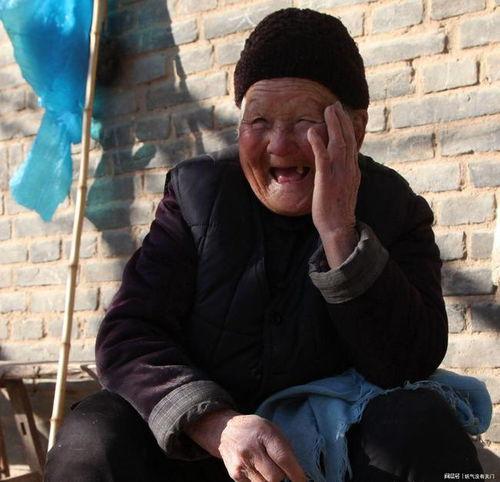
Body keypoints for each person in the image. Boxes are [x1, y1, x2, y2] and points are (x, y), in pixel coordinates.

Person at [45, 8, 484, 482]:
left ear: (354, 128)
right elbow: (128, 333)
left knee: (423, 425)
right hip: (206, 446)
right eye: (259, 120)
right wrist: (216, 425)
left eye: (304, 121)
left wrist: (340, 232)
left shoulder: (394, 207)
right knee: (95, 433)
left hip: (332, 452)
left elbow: (409, 361)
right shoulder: (197, 194)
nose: (279, 144)